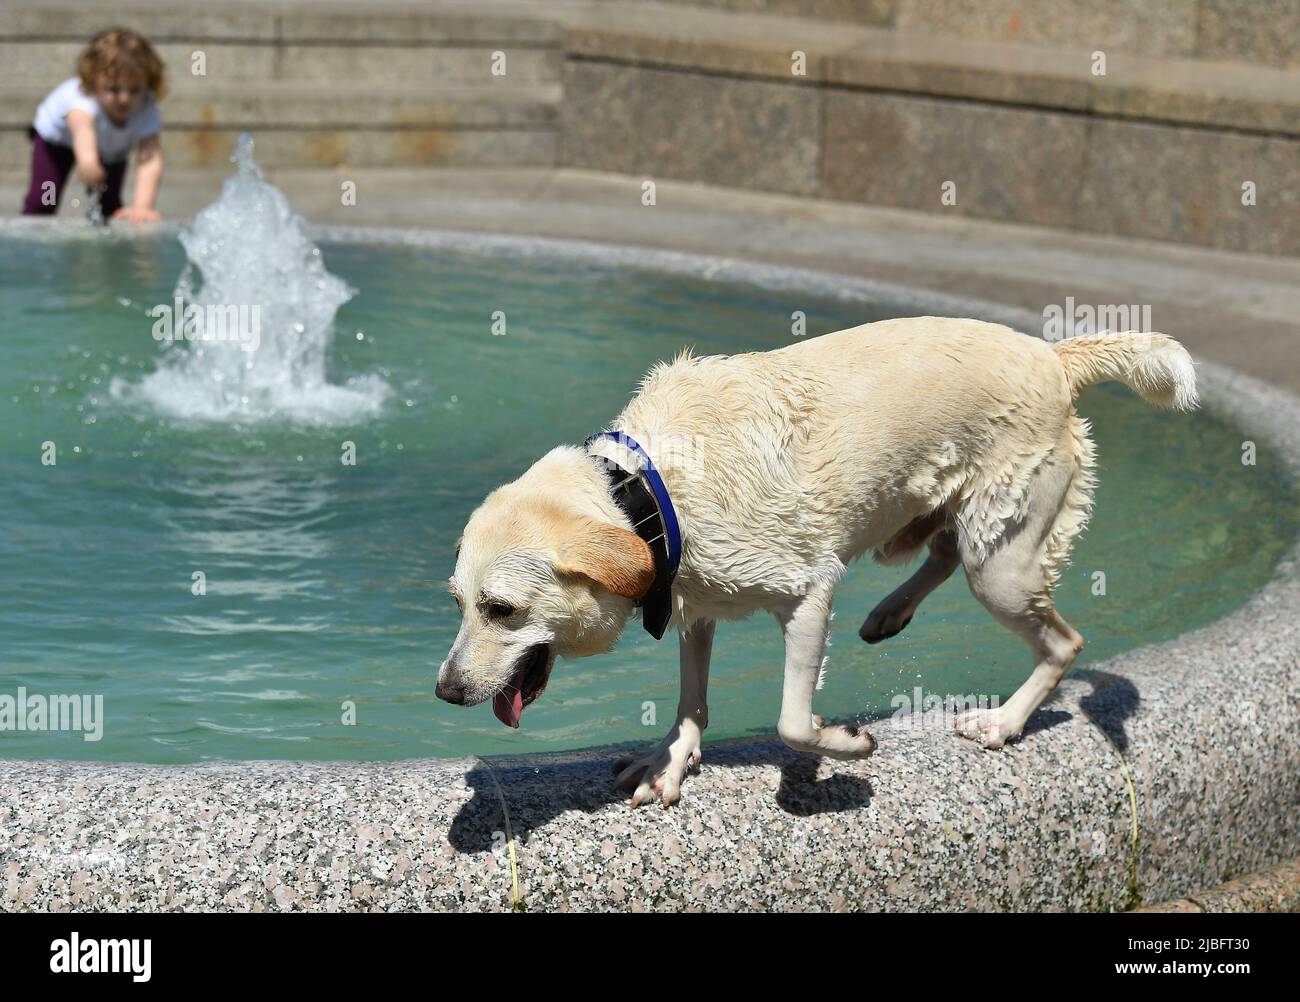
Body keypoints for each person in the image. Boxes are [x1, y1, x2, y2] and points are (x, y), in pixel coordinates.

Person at [23, 28, 166, 222]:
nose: (124, 99)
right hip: (57, 142)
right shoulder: (82, 102)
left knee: (109, 206)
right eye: (113, 89)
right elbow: (83, 136)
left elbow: (150, 160)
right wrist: (90, 165)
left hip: (109, 147)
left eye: (135, 89)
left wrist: (142, 207)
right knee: (44, 199)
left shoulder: (146, 107)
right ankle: (32, 232)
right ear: (92, 83)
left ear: (149, 84)